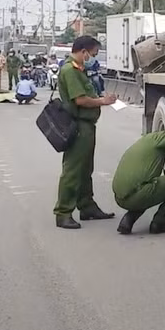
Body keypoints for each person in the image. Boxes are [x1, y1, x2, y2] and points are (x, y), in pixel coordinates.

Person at [54, 35, 117, 229]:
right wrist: (102, 102)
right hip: (79, 125)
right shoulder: (70, 70)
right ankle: (63, 212)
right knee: (73, 170)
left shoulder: (79, 69)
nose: (93, 58)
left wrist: (98, 98)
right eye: (93, 54)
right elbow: (80, 100)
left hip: (87, 125)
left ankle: (87, 206)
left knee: (85, 169)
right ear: (83, 52)